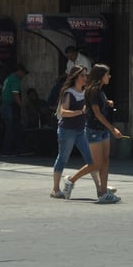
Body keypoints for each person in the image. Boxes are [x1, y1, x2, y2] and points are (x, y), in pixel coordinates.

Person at [62, 63, 122, 204]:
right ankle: (71, 180)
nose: (109, 76)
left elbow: (98, 104)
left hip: (102, 130)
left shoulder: (100, 91)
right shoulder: (93, 90)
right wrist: (112, 129)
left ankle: (103, 193)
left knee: (105, 161)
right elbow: (97, 113)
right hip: (94, 130)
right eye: (107, 74)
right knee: (96, 163)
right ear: (101, 76)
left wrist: (107, 102)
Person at [50, 65, 109, 200]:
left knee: (91, 159)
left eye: (86, 75)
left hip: (81, 130)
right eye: (82, 75)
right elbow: (63, 112)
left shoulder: (86, 92)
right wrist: (79, 112)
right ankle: (55, 188)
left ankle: (100, 188)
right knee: (63, 158)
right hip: (67, 130)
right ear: (75, 77)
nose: (85, 78)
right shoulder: (68, 92)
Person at [0, 63, 32, 157]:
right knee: (11, 128)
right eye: (23, 73)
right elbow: (15, 94)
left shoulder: (9, 78)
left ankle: (20, 148)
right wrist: (21, 105)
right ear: (19, 71)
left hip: (5, 106)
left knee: (14, 128)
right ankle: (6, 150)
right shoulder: (15, 79)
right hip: (10, 106)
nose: (23, 76)